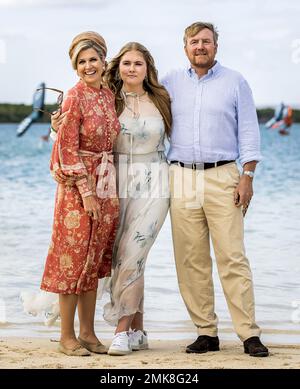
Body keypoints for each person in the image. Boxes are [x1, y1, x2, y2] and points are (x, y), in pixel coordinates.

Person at [161, 22, 269, 357]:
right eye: (194, 42)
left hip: (224, 176)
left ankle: (249, 334)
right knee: (190, 259)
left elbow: (249, 131)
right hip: (180, 177)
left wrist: (247, 175)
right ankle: (205, 332)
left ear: (216, 46)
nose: (200, 47)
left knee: (232, 257)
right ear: (185, 47)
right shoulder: (169, 83)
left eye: (206, 41)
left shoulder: (235, 81)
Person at [41, 31, 120, 356]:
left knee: (95, 261)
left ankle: (88, 333)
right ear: (75, 67)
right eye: (82, 62)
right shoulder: (73, 96)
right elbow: (67, 148)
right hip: (77, 190)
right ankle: (66, 337)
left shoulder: (107, 95)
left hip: (107, 184)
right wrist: (86, 192)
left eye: (93, 59)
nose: (88, 66)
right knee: (72, 259)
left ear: (103, 61)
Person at [102, 42, 172, 355]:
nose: (132, 68)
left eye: (138, 64)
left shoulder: (162, 99)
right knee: (123, 256)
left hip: (155, 181)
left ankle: (120, 332)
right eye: (127, 63)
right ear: (118, 67)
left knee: (134, 251)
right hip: (115, 182)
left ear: (147, 69)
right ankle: (138, 331)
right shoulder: (107, 99)